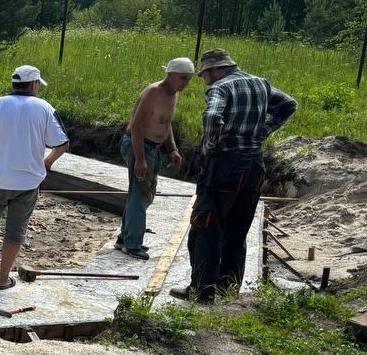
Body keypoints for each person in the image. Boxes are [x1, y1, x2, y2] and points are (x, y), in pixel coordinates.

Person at [171, 48, 297, 302]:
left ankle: (202, 292)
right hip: (254, 167)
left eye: (205, 74)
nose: (205, 80)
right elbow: (288, 104)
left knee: (206, 228)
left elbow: (212, 116)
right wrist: (266, 129)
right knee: (237, 231)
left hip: (226, 165)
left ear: (216, 69)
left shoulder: (221, 88)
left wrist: (211, 144)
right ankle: (228, 291)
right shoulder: (260, 84)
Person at [0, 65, 69, 290]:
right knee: (15, 232)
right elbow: (62, 143)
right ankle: (2, 279)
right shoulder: (44, 108)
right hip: (28, 184)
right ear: (34, 84)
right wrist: (47, 163)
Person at [116, 58, 192, 259]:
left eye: (189, 79)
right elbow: (136, 127)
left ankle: (125, 238)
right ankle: (132, 245)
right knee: (140, 195)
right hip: (139, 147)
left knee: (142, 194)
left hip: (154, 149)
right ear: (171, 74)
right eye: (183, 78)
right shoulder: (153, 93)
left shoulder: (173, 95)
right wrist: (140, 159)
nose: (185, 83)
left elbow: (166, 125)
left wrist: (172, 149)